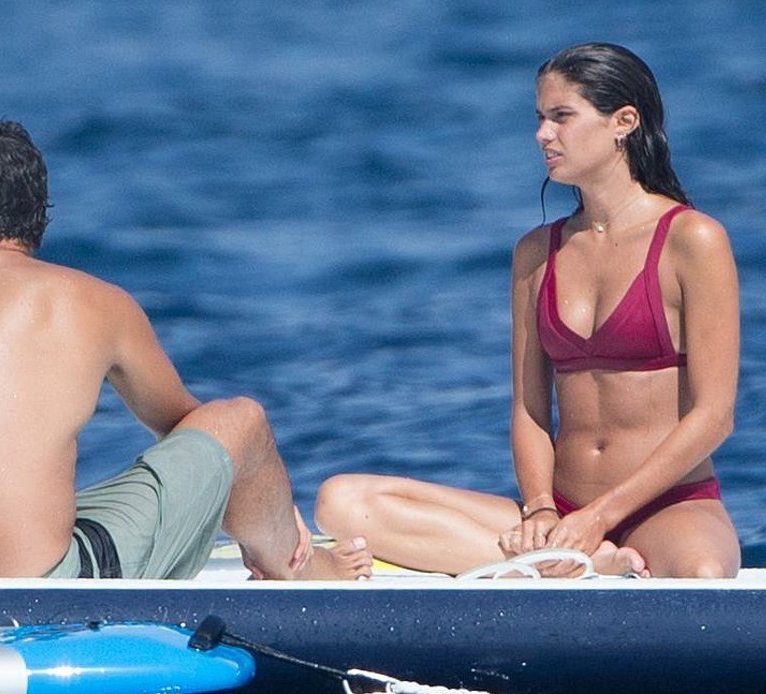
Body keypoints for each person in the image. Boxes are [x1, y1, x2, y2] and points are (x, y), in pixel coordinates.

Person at [0, 119, 372, 580]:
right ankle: (300, 568)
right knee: (242, 424)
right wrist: (264, 496)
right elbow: (186, 425)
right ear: (38, 219)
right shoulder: (95, 302)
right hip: (40, 588)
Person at [315, 43, 740, 578]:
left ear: (624, 122)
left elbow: (714, 416)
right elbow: (530, 411)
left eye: (561, 116)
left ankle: (551, 563)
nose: (543, 134)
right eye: (540, 118)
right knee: (343, 501)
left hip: (666, 505)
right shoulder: (537, 253)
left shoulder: (692, 239)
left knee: (704, 574)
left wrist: (601, 515)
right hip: (559, 510)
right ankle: (578, 563)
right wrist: (540, 507)